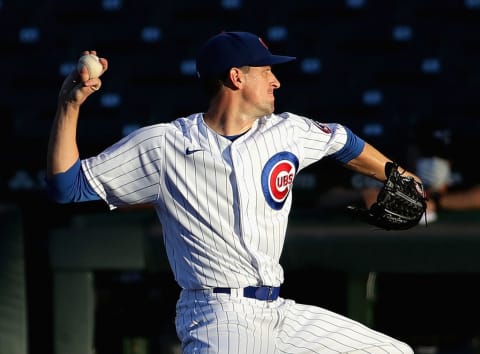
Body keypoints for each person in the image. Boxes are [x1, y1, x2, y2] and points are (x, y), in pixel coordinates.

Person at [46, 31, 421, 354]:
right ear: (236, 77)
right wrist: (69, 104)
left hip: (278, 311)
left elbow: (343, 141)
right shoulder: (165, 145)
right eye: (267, 71)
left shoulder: (286, 131)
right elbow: (68, 187)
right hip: (218, 314)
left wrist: (396, 174)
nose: (276, 81)